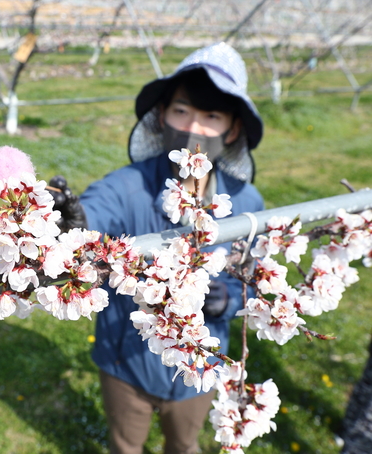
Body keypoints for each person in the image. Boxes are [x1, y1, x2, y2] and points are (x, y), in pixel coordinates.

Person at [50, 42, 265, 454]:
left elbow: (253, 272)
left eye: (212, 116)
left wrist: (231, 299)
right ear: (162, 115)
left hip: (199, 359)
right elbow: (98, 208)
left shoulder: (245, 202)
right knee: (125, 443)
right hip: (126, 361)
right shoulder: (130, 185)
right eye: (182, 111)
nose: (193, 127)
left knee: (184, 444)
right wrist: (75, 221)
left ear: (233, 129)